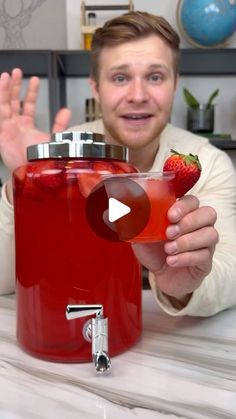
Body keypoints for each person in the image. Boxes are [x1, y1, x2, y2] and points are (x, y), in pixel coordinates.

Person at [0, 11, 236, 316]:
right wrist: (19, 186)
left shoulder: (207, 162)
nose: (138, 96)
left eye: (154, 76)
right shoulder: (59, 162)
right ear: (96, 87)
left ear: (174, 83)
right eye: (120, 77)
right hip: (73, 319)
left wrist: (186, 286)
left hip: (157, 334)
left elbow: (229, 270)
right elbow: (5, 280)